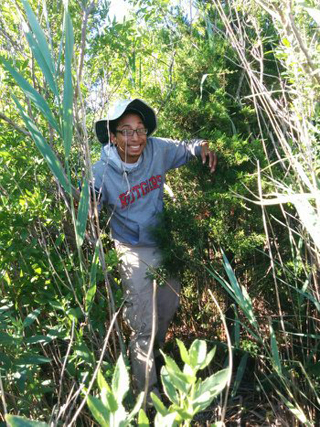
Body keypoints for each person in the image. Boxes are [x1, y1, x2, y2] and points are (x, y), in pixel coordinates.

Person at [92, 98, 216, 402]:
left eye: (140, 130)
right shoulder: (101, 170)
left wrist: (205, 146)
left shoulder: (157, 149)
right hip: (132, 250)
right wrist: (89, 205)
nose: (135, 138)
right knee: (144, 326)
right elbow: (89, 202)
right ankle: (148, 397)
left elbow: (189, 147)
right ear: (112, 136)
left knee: (166, 311)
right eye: (126, 131)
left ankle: (154, 359)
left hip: (163, 242)